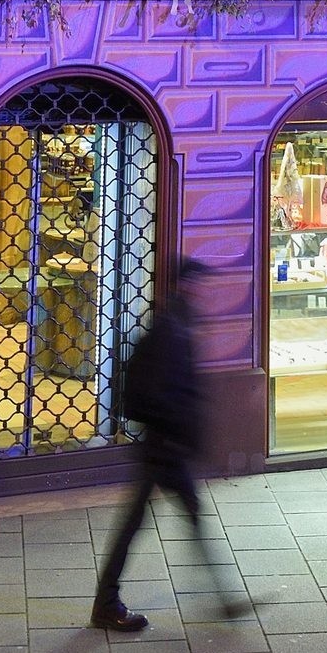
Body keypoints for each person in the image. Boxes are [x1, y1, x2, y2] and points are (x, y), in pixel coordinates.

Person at [91, 259, 252, 633]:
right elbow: (163, 391)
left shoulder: (179, 323)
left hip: (166, 444)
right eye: (200, 284)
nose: (206, 292)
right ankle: (106, 603)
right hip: (163, 446)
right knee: (141, 522)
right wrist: (179, 433)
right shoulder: (170, 330)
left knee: (179, 519)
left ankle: (222, 598)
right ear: (185, 285)